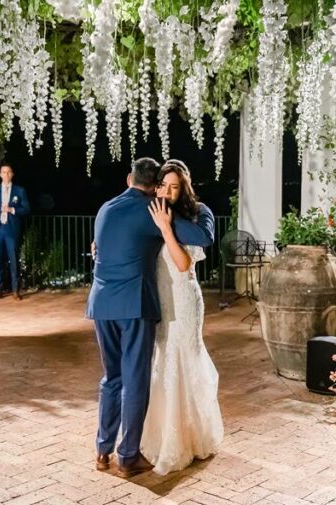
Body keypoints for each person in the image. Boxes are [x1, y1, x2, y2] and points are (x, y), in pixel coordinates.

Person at [86, 157, 214, 478]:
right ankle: (128, 456)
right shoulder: (152, 210)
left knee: (110, 378)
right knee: (136, 380)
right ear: (153, 186)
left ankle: (103, 450)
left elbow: (101, 249)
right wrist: (169, 222)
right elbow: (200, 237)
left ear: (130, 179)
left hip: (101, 305)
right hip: (133, 307)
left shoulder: (104, 209)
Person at [141, 160, 224, 474]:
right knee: (162, 362)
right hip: (161, 300)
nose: (169, 191)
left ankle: (190, 437)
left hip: (185, 300)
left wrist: (167, 225)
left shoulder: (196, 213)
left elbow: (185, 259)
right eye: (164, 185)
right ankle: (162, 434)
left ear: (184, 188)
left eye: (175, 186)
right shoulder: (152, 212)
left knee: (184, 361)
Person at [0, 163, 30, 300]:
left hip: (11, 230)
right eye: (3, 172)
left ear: (12, 174)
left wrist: (12, 210)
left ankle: (16, 290)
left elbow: (27, 210)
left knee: (13, 259)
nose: (6, 174)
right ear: (0, 174)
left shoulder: (19, 191)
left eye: (8, 172)